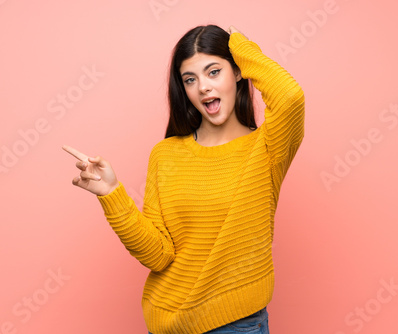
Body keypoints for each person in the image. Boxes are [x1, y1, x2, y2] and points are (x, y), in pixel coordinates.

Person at [63, 24, 304, 334]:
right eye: (191, 79)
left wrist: (239, 46)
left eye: (214, 72)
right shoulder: (166, 154)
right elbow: (159, 255)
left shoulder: (268, 147)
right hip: (165, 323)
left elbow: (290, 97)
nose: (203, 87)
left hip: (235, 325)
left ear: (238, 72)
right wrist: (111, 193)